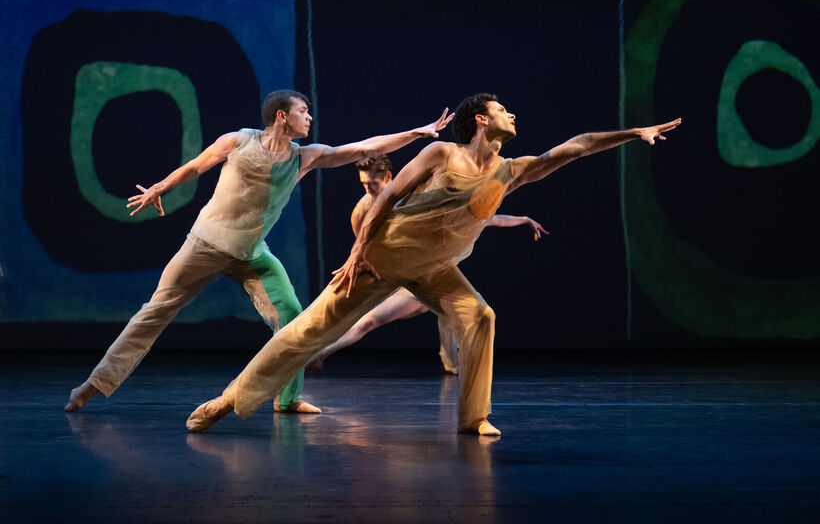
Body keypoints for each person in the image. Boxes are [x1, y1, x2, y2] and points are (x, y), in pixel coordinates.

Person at [186, 93, 681, 436]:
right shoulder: (441, 152)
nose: (512, 114)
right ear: (481, 120)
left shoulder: (512, 171)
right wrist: (357, 253)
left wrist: (632, 133)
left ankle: (474, 418)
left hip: (436, 269)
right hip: (382, 260)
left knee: (480, 316)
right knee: (303, 333)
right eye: (501, 108)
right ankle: (229, 399)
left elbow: (574, 146)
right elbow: (389, 198)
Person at [64, 89, 454, 414]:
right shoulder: (238, 140)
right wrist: (159, 188)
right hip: (205, 244)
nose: (310, 118)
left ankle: (288, 398)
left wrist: (416, 133)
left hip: (252, 253)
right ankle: (94, 384)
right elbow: (196, 166)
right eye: (304, 111)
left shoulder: (305, 156)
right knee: (155, 311)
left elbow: (361, 147)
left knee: (293, 316)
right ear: (282, 116)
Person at [307, 154, 546, 373]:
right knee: (368, 318)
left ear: (389, 177)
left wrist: (523, 219)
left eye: (373, 184)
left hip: (424, 274)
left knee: (456, 310)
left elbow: (488, 219)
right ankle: (318, 353)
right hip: (393, 274)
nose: (369, 190)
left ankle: (453, 363)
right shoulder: (362, 209)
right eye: (364, 185)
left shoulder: (410, 197)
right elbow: (363, 248)